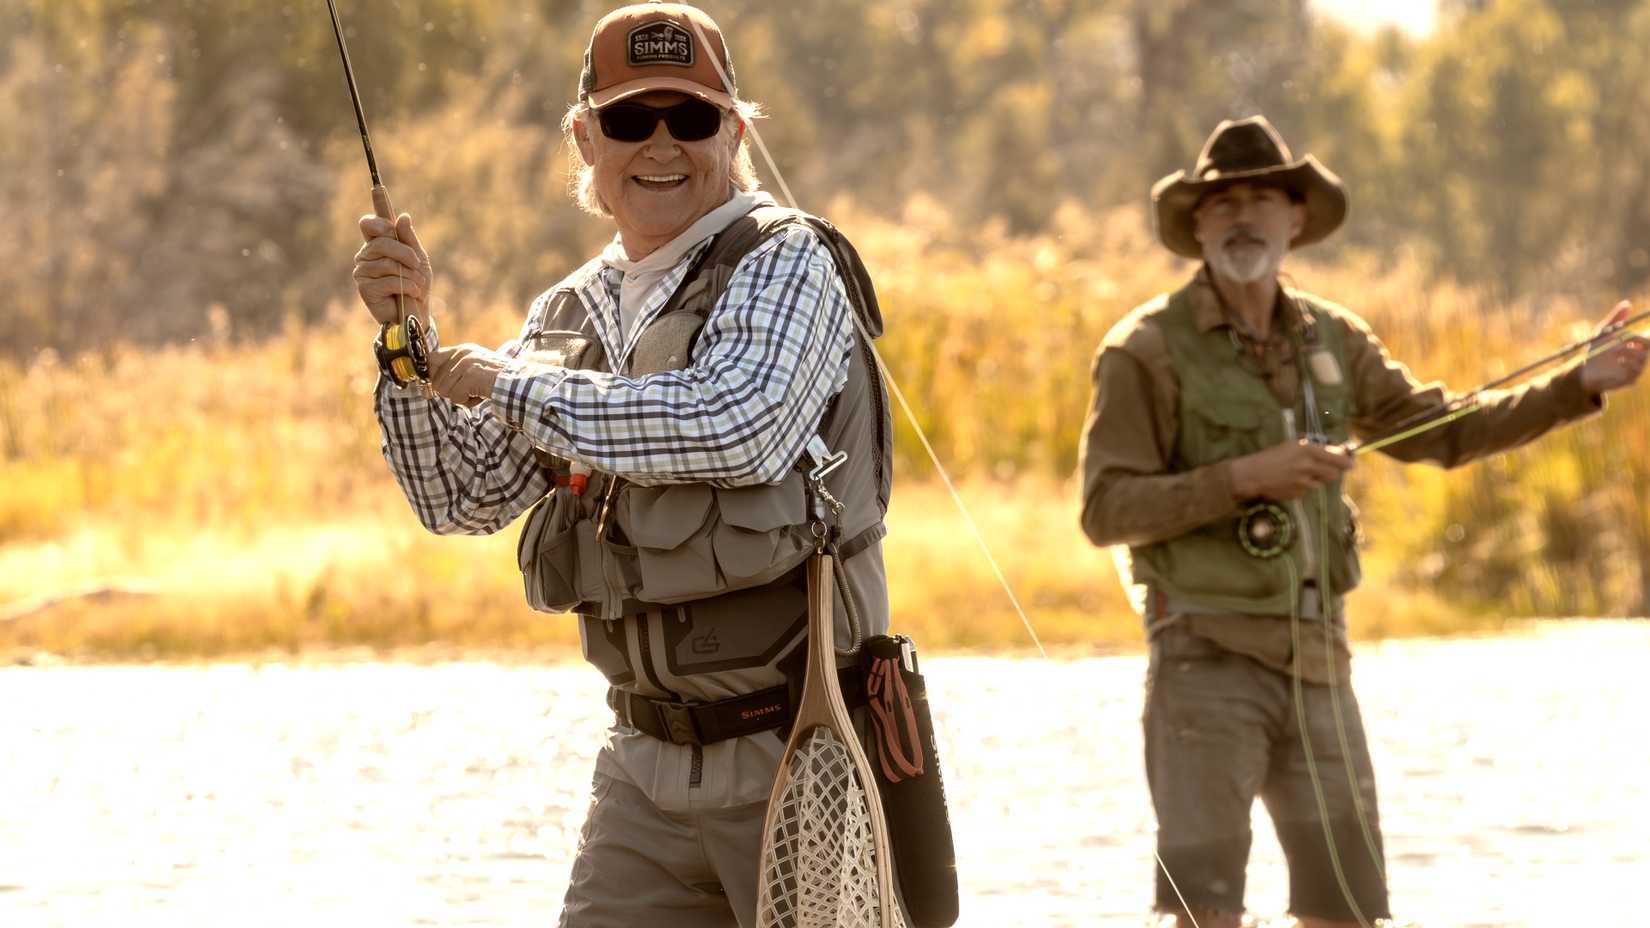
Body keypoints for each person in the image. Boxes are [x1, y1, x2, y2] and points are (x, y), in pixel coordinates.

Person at [351, 4, 892, 925]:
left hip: (804, 749)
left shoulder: (790, 263)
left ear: (736, 131)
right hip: (640, 767)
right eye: (631, 119)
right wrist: (409, 344)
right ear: (584, 138)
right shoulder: (570, 308)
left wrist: (507, 384)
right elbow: (462, 498)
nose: (661, 145)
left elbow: (734, 427)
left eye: (691, 118)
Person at [1077, 115, 1648, 928]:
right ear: (1197, 224)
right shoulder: (1144, 351)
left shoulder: (1337, 340)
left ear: (1297, 219)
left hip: (1321, 666)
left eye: (1264, 199)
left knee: (1347, 909)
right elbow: (1104, 512)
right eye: (1224, 202)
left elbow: (1445, 428)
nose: (1244, 216)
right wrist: (1246, 477)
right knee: (1204, 911)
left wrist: (1574, 384)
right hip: (1203, 663)